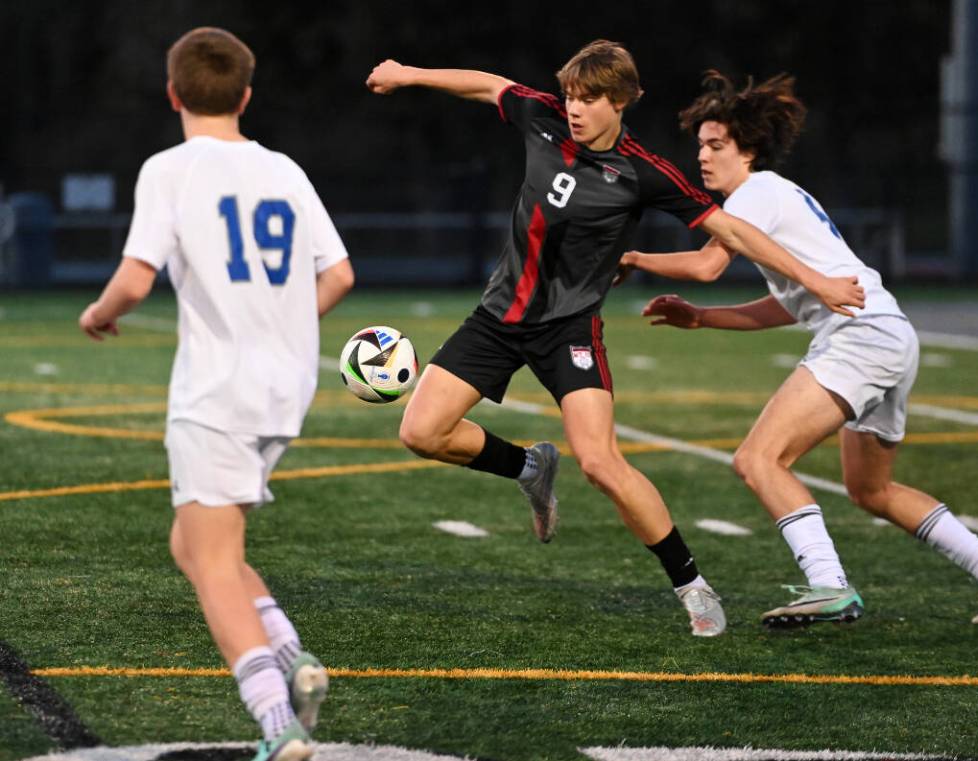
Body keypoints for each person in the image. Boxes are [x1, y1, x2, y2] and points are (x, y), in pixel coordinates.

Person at [366, 41, 866, 638]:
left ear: (623, 101)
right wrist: (409, 74)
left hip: (569, 329)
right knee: (421, 432)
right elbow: (485, 83)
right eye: (572, 94)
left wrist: (816, 281)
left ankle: (692, 585)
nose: (574, 107)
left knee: (602, 463)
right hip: (498, 317)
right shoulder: (543, 116)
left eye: (590, 98)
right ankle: (529, 467)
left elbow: (731, 232)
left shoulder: (644, 173)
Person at [618, 70, 978, 627]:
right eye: (701, 147)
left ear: (749, 150)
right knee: (870, 489)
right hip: (888, 332)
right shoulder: (773, 197)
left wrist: (634, 259)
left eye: (716, 146)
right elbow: (786, 305)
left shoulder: (755, 194)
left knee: (759, 459)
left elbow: (708, 264)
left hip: (860, 336)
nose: (704, 158)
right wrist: (702, 319)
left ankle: (828, 585)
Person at [78, 27, 355, 760]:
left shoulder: (170, 169)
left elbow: (136, 279)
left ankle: (275, 720)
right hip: (284, 385)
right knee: (196, 543)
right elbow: (338, 275)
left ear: (173, 94)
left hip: (217, 388)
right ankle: (293, 655)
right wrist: (281, 321)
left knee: (209, 559)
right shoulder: (286, 169)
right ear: (246, 96)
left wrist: (98, 314)